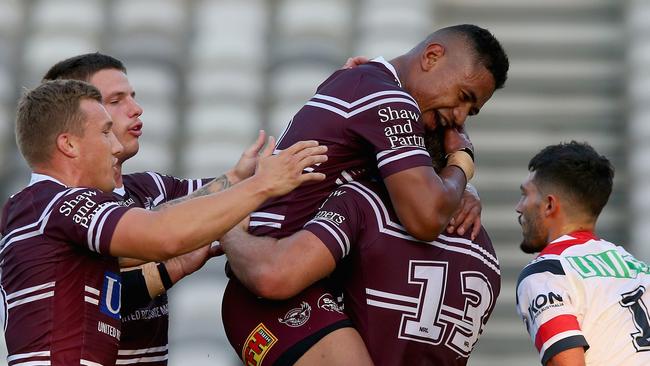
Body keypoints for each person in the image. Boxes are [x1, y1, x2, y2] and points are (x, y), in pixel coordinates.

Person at [221, 23, 509, 365]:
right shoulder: (386, 96)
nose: (459, 119)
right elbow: (426, 217)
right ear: (432, 57)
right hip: (277, 284)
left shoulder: (367, 86)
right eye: (463, 97)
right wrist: (462, 163)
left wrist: (462, 187)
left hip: (309, 282)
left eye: (471, 112)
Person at [0, 79, 326, 365]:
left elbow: (161, 231)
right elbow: (164, 234)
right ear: (68, 144)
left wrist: (176, 263)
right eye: (104, 133)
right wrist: (261, 185)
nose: (115, 147)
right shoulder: (60, 202)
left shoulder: (36, 208)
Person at [42, 52, 266, 365]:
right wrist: (172, 267)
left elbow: (212, 204)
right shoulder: (55, 205)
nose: (136, 109)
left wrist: (245, 175)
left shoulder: (151, 188)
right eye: (116, 100)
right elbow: (100, 293)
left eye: (132, 96)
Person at [220, 127, 501, 365]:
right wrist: (462, 175)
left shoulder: (366, 201)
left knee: (248, 293)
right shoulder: (487, 252)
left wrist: (228, 228)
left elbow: (273, 275)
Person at [515, 141, 650, 365]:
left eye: (525, 195)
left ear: (549, 205)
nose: (519, 207)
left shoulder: (547, 272)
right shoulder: (637, 268)